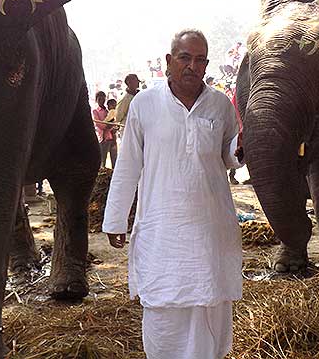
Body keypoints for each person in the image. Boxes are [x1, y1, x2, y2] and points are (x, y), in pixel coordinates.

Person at [102, 29, 244, 359]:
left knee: (210, 306)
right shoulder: (145, 104)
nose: (192, 66)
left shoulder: (220, 104)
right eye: (184, 58)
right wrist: (115, 219)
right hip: (163, 232)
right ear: (169, 61)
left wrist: (242, 149)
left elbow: (228, 155)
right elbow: (128, 165)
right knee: (164, 312)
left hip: (211, 231)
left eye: (199, 60)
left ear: (207, 64)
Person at [93, 91, 116, 168]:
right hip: (102, 139)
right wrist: (108, 126)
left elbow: (113, 123)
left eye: (103, 99)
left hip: (111, 138)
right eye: (99, 99)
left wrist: (111, 126)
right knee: (103, 161)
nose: (102, 101)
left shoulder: (108, 111)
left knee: (114, 159)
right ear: (96, 100)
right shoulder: (95, 111)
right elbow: (99, 125)